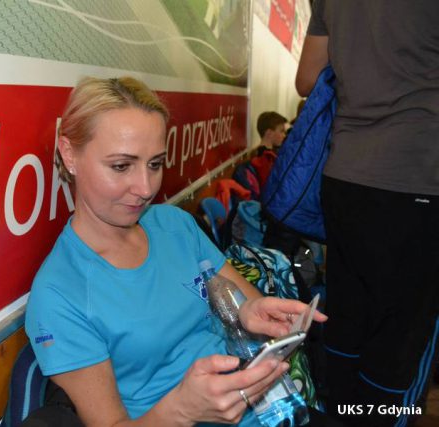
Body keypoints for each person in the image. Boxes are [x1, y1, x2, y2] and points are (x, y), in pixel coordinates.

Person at [25, 76, 327, 426]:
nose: (145, 188)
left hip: (267, 407)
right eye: (121, 166)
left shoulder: (173, 224)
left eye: (155, 164)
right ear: (69, 154)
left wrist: (251, 313)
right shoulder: (60, 294)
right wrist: (181, 410)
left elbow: (243, 302)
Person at [296, 1, 439, 426]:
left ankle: (342, 416)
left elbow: (307, 79)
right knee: (405, 336)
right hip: (418, 176)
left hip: (345, 176)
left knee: (349, 319)